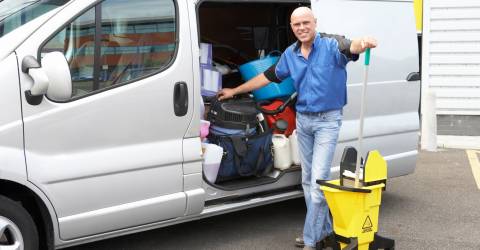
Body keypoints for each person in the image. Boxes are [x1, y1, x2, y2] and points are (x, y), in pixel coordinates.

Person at [217, 6, 377, 250]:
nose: (302, 28)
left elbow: (350, 46)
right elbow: (268, 77)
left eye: (306, 22)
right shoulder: (290, 54)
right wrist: (235, 91)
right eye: (296, 24)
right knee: (306, 180)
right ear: (292, 28)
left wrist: (362, 42)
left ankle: (311, 241)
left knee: (319, 182)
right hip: (304, 121)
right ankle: (322, 231)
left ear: (315, 22)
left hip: (327, 121)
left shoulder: (331, 45)